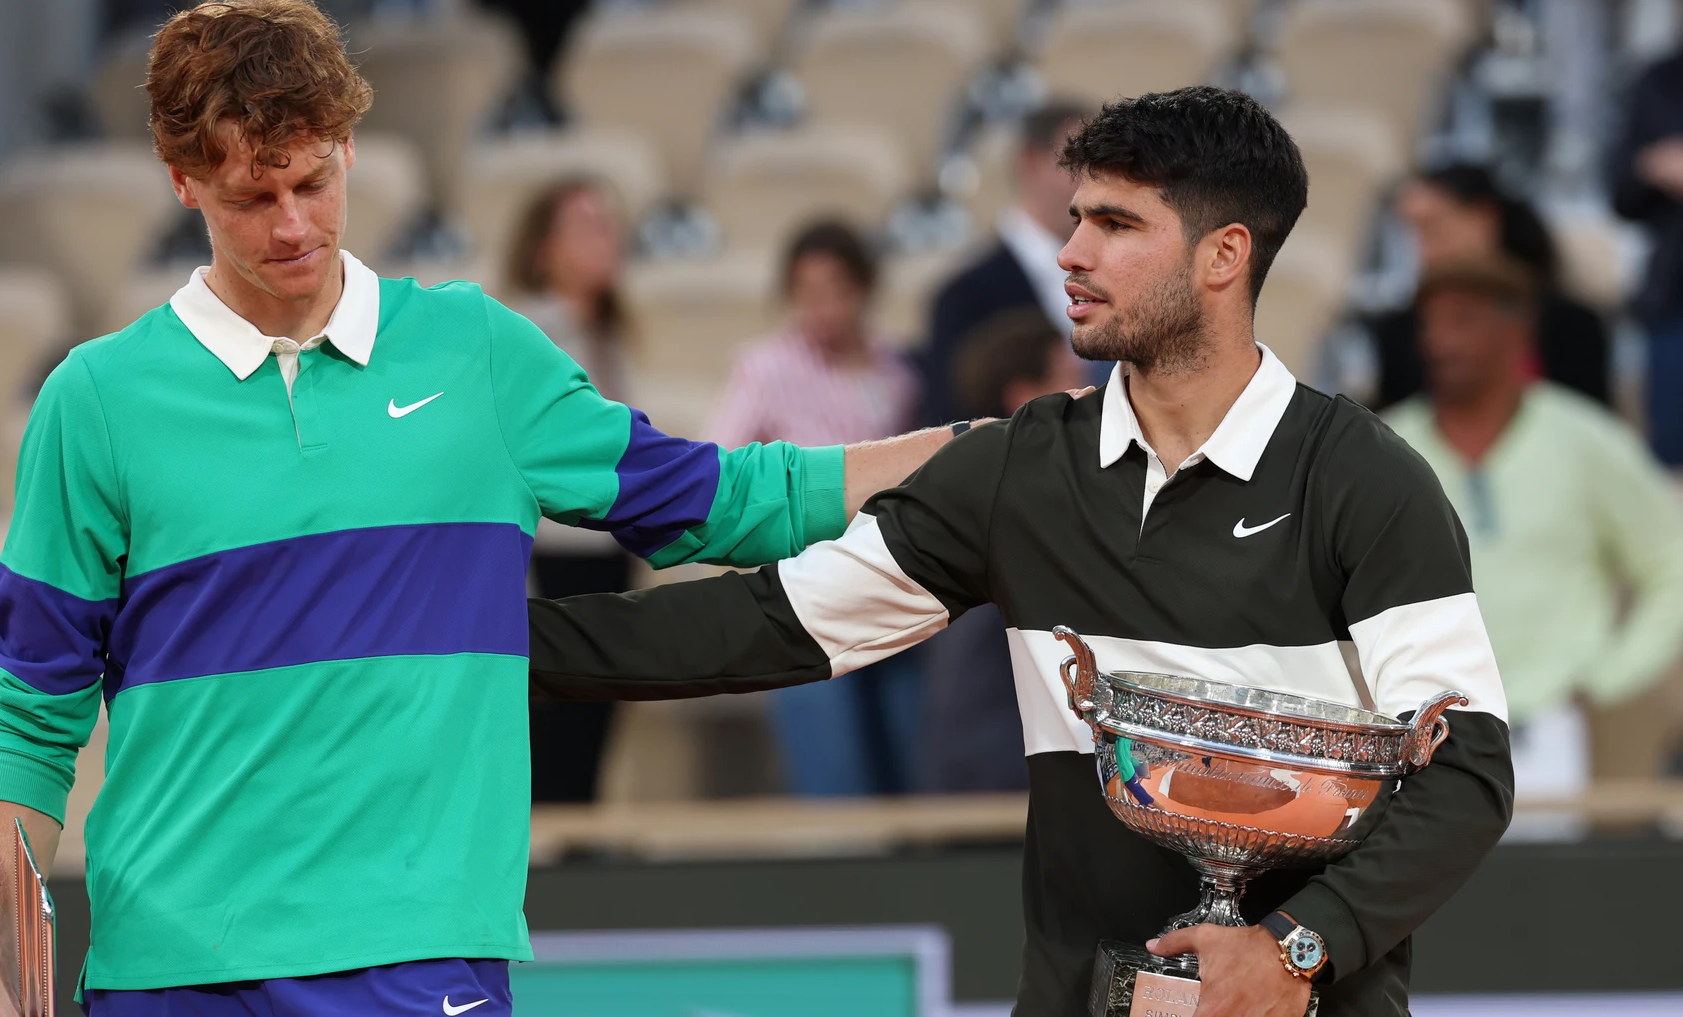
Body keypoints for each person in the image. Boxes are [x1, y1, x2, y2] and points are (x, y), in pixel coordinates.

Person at [0, 0, 963, 1017]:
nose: (293, 225)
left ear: (348, 147)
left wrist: (979, 454)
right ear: (181, 182)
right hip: (168, 973)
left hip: (423, 959)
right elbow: (29, 717)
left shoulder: (478, 353)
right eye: (251, 199)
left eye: (310, 181)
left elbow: (729, 499)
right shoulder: (95, 401)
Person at [529, 87, 1514, 1017]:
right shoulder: (1016, 470)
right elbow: (763, 625)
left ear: (1223, 257)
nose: (1069, 253)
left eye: (1116, 225)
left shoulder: (1367, 481)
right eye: (1073, 218)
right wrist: (469, 634)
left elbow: (1465, 771)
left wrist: (1298, 944)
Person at [1380, 258, 1683, 826]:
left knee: (1533, 905)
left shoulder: (1583, 439)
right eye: (1430, 324)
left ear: (1515, 333)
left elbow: (1672, 561)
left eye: (1462, 322)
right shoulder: (1385, 446)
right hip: (1409, 740)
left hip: (1543, 734)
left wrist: (1609, 673)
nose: (1439, 341)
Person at [708, 219, 923, 795]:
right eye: (806, 293)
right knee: (832, 774)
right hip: (807, 587)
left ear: (862, 289)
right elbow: (721, 466)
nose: (821, 308)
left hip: (895, 582)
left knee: (907, 760)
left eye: (835, 290)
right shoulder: (764, 366)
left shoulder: (897, 370)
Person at [917, 310, 1088, 793]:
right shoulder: (1014, 504)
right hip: (998, 786)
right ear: (1025, 396)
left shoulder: (987, 490)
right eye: (1070, 378)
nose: (1091, 395)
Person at [504, 176, 635, 803]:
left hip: (608, 556)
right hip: (550, 560)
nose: (606, 240)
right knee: (547, 748)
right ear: (544, 248)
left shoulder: (609, 334)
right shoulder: (528, 334)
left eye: (609, 225)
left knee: (593, 742)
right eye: (586, 226)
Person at [1372, 164, 1611, 408]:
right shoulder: (1398, 334)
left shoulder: (1572, 327)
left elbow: (1593, 425)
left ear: (1485, 218)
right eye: (1409, 233)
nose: (1422, 250)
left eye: (1432, 227)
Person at [919, 101, 1092, 426]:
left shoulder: (1128, 274)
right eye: (1078, 162)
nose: (1093, 178)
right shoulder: (964, 297)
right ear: (1030, 163)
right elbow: (952, 426)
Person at [1613, 49, 1683, 468]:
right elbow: (1622, 195)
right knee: (1671, 461)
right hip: (1675, 294)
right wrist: (1652, 167)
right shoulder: (1663, 79)